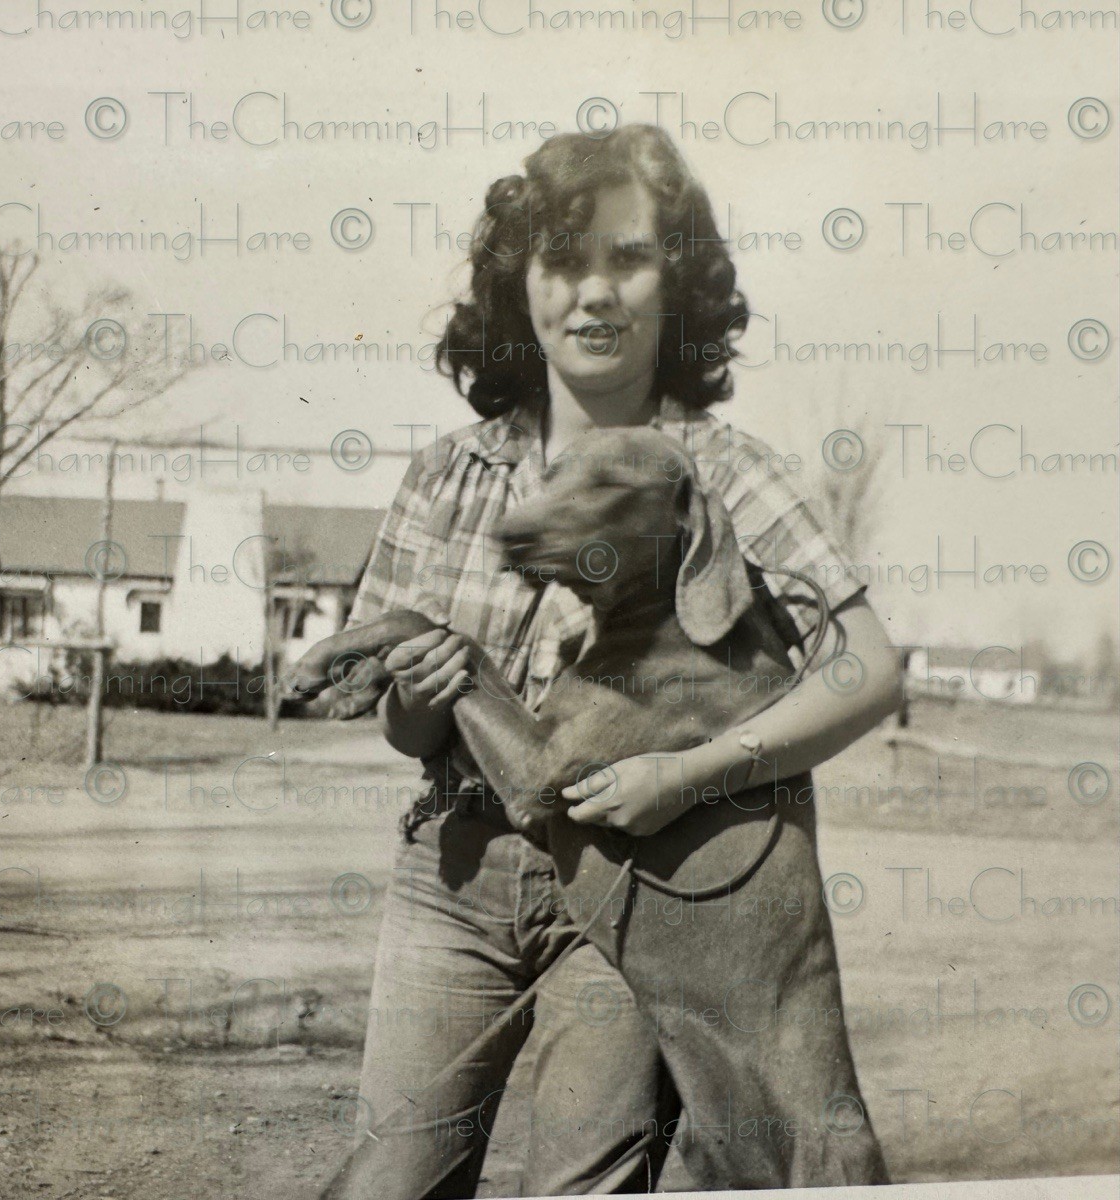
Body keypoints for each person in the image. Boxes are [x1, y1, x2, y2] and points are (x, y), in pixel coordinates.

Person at [341, 125, 902, 1196]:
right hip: (453, 876)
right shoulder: (448, 475)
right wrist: (420, 702)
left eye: (629, 258)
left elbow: (868, 671)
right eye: (562, 260)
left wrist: (693, 773)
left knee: (579, 1190)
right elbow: (403, 729)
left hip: (631, 893)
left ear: (675, 283)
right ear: (520, 285)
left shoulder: (721, 472)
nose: (594, 292)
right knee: (391, 1183)